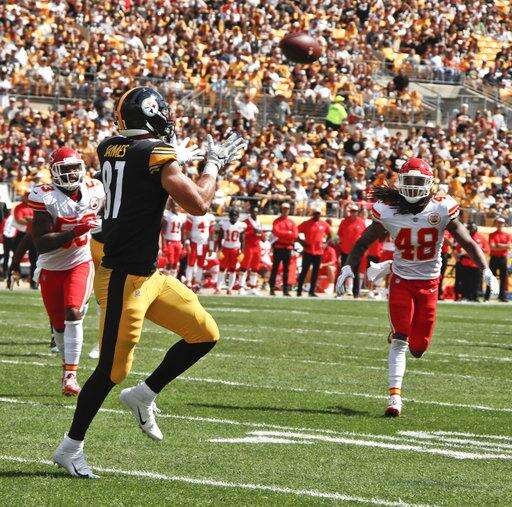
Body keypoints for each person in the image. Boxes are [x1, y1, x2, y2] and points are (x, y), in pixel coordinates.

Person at [53, 86, 246, 478]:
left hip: (147, 274)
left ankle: (143, 395)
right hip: (123, 276)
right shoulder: (154, 152)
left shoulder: (110, 147)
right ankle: (69, 448)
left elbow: (143, 164)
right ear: (150, 114)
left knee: (204, 334)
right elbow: (198, 204)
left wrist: (176, 155)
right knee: (111, 370)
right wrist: (213, 165)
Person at [336, 157, 498, 417]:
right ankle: (394, 398)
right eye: (408, 180)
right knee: (400, 339)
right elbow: (363, 242)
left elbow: (467, 242)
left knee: (418, 348)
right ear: (400, 182)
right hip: (402, 281)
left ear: (429, 183)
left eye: (417, 181)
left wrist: (485, 269)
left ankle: (388, 269)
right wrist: (348, 268)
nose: (412, 186)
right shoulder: (388, 209)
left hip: (429, 283)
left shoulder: (441, 208)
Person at [28, 147, 104, 396]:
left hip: (80, 262)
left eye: (74, 168)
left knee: (74, 312)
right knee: (58, 325)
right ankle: (66, 366)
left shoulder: (95, 189)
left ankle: (70, 375)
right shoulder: (45, 196)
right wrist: (76, 230)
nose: (71, 173)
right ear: (54, 172)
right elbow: (41, 242)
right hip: (51, 267)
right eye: (66, 169)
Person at [296, 205, 331, 297]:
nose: (317, 215)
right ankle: (299, 290)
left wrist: (325, 244)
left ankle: (311, 291)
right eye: (315, 213)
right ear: (313, 214)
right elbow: (296, 232)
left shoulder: (324, 224)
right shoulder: (306, 223)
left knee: (315, 272)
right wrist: (301, 242)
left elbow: (330, 235)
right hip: (308, 251)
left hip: (318, 252)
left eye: (318, 213)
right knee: (304, 271)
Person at [337, 203, 366, 297]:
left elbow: (364, 236)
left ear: (357, 212)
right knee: (343, 272)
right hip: (345, 251)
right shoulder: (344, 222)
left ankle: (356, 294)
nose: (353, 213)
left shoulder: (361, 223)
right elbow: (340, 234)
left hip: (356, 252)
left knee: (356, 272)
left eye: (355, 211)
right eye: (352, 211)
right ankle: (340, 292)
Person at [454, 222, 489, 301]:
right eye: (469, 229)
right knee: (466, 281)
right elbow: (458, 249)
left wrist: (476, 251)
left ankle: (475, 297)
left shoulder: (481, 237)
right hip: (466, 262)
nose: (471, 230)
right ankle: (465, 296)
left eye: (472, 229)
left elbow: (486, 250)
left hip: (476, 263)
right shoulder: (464, 237)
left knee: (476, 282)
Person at [269, 202, 298, 296]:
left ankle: (285, 290)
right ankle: (272, 289)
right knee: (275, 268)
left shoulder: (291, 222)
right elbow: (276, 232)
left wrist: (284, 234)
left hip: (287, 248)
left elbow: (295, 235)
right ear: (281, 210)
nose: (285, 211)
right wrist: (288, 233)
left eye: (287, 209)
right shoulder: (277, 221)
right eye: (284, 209)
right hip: (278, 247)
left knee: (286, 270)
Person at [215, 207, 246, 295]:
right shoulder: (224, 224)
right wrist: (219, 250)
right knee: (222, 268)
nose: (234, 217)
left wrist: (242, 252)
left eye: (235, 215)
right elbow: (220, 237)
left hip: (235, 249)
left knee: (232, 269)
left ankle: (230, 288)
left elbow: (242, 240)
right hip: (225, 248)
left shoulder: (241, 225)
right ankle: (218, 288)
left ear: (238, 216)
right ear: (229, 216)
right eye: (232, 215)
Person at [183, 210, 216, 290]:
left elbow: (211, 233)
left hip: (204, 244)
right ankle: (188, 281)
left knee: (201, 264)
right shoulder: (192, 215)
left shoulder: (210, 217)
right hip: (194, 243)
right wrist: (187, 242)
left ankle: (197, 282)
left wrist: (211, 247)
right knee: (190, 263)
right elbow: (187, 230)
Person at [12, 193, 38, 289]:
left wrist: (28, 219)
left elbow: (38, 220)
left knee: (34, 260)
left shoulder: (35, 207)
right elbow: (19, 220)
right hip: (21, 234)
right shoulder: (19, 207)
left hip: (33, 234)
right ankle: (13, 280)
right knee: (16, 258)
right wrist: (33, 220)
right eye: (26, 197)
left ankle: (33, 283)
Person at [485, 216, 511, 302]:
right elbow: (492, 247)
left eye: (501, 223)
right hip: (494, 258)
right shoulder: (492, 234)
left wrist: (499, 245)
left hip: (503, 258)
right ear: (496, 224)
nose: (500, 225)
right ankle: (487, 296)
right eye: (498, 223)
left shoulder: (507, 235)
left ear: (504, 224)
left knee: (503, 278)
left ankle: (502, 297)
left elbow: (509, 246)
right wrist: (503, 247)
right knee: (491, 278)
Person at [238, 205, 262, 295]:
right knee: (244, 266)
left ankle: (252, 287)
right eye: (253, 211)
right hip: (248, 246)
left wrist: (261, 234)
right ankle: (241, 287)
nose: (255, 213)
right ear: (250, 212)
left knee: (255, 267)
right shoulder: (246, 222)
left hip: (257, 246)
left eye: (256, 211)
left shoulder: (259, 221)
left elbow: (261, 234)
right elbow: (242, 235)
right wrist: (253, 231)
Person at [161, 199, 186, 278]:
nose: (176, 206)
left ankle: (173, 279)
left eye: (177, 204)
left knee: (175, 263)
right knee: (170, 262)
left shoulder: (182, 216)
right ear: (171, 205)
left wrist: (184, 244)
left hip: (178, 242)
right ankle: (165, 279)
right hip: (169, 241)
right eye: (174, 204)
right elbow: (163, 231)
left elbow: (183, 231)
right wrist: (163, 244)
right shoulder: (167, 215)